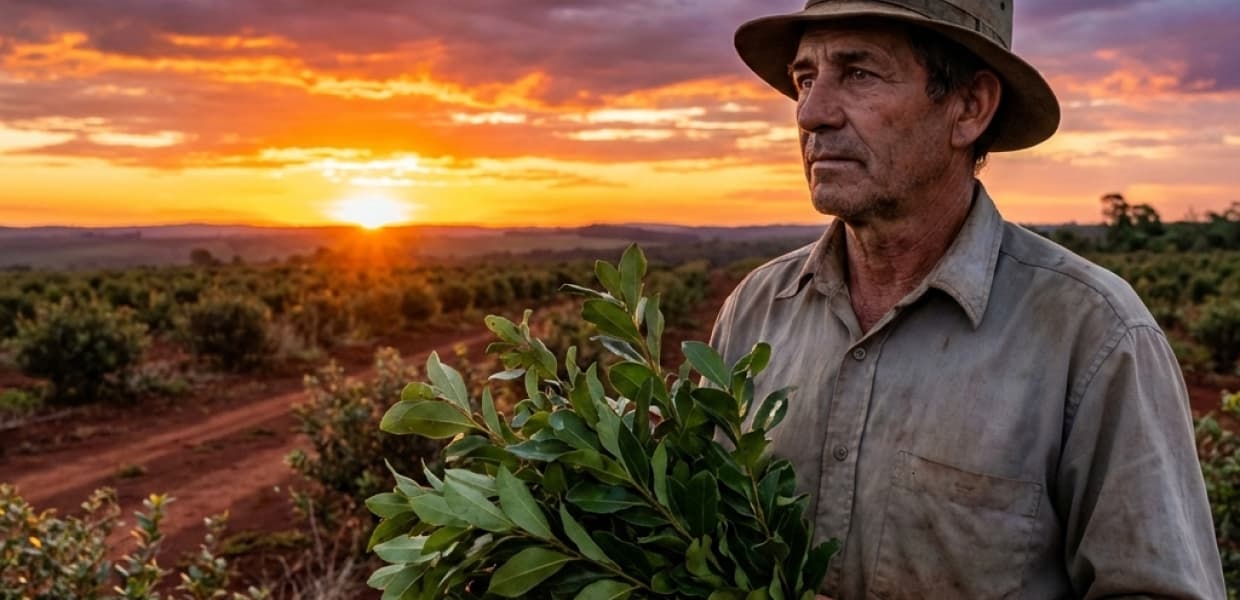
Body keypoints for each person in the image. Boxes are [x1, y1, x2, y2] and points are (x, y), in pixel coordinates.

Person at [710, 1, 1226, 597]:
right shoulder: (755, 310)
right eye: (805, 79)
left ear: (970, 108)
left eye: (859, 74)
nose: (812, 113)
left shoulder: (1093, 335)